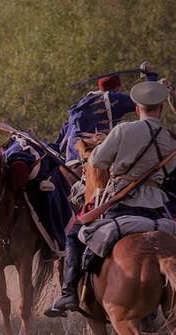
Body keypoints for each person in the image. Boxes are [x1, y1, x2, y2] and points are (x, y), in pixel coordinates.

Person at [45, 81, 176, 318]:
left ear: (137, 108)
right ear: (161, 109)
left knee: (75, 235)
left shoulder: (123, 130)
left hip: (121, 203)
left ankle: (69, 294)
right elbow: (169, 171)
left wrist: (105, 143)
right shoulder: (169, 139)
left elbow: (96, 163)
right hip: (157, 207)